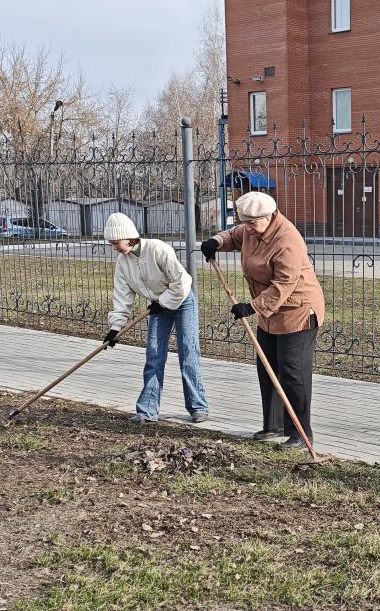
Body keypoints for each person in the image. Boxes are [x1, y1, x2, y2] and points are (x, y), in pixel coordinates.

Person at [200, 192, 325, 449]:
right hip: (270, 313)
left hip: (297, 310)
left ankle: (301, 433)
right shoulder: (251, 228)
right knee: (267, 367)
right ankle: (274, 425)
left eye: (252, 223)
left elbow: (284, 283)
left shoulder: (287, 239)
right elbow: (233, 236)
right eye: (244, 222)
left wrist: (252, 307)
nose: (247, 228)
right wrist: (215, 241)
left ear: (268, 217)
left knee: (293, 372)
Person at [102, 212, 210, 424]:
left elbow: (181, 281)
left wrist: (164, 302)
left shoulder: (157, 248)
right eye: (111, 243)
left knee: (188, 353)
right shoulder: (122, 262)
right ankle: (147, 411)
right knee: (154, 355)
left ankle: (198, 407)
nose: (113, 246)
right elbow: (122, 297)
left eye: (115, 242)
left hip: (182, 301)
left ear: (128, 236)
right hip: (157, 307)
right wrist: (115, 328)